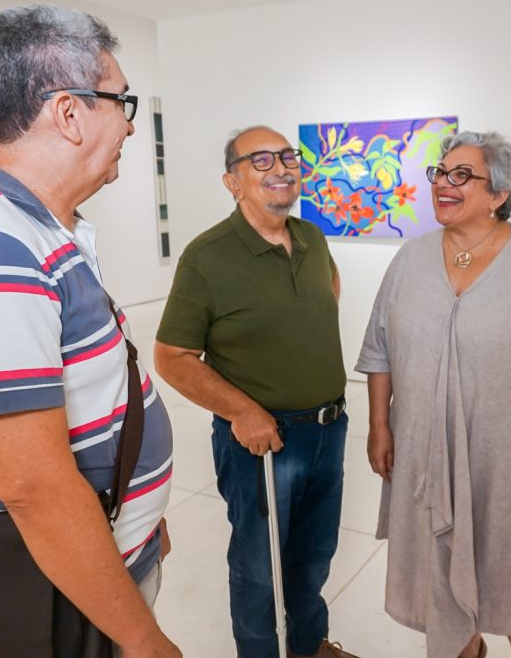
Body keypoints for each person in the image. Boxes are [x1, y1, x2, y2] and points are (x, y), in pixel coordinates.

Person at [0, 5, 179, 657]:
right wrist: (141, 638)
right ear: (70, 112)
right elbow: (33, 486)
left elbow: (94, 393)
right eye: (122, 101)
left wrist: (137, 521)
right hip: (70, 597)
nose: (132, 126)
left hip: (105, 557)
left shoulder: (35, 228)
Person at [356, 131, 511, 658]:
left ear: (499, 194)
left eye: (462, 175)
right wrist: (379, 424)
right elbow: (379, 349)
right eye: (441, 173)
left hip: (510, 461)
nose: (444, 183)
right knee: (438, 570)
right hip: (421, 450)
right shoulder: (409, 260)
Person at [154, 126, 358, 658]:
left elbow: (329, 291)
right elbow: (172, 358)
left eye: (288, 156)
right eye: (261, 160)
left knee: (313, 556)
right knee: (258, 567)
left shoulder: (311, 237)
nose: (281, 167)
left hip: (328, 430)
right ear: (233, 182)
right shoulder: (207, 257)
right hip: (261, 443)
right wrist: (242, 409)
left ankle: (310, 646)